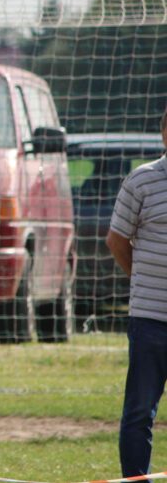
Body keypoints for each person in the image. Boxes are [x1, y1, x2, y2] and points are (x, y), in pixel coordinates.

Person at [106, 106, 167, 478]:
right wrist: (141, 278)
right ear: (164, 134)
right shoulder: (141, 180)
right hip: (150, 320)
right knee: (140, 412)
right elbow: (116, 239)